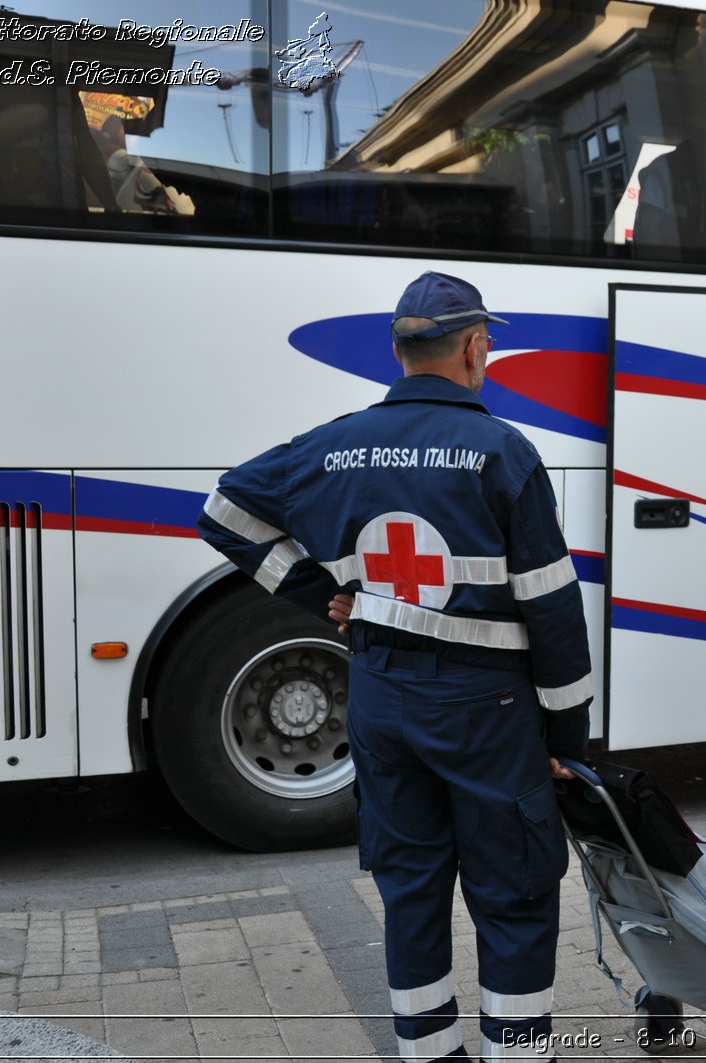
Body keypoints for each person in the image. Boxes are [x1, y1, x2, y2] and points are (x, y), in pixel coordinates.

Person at [197, 272, 592, 1063]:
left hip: (381, 701)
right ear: (478, 347)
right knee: (512, 891)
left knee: (409, 886)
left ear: (397, 351)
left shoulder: (333, 443)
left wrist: (325, 593)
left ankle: (429, 1054)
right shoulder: (503, 452)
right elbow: (551, 606)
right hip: (487, 713)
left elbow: (224, 511)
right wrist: (566, 736)